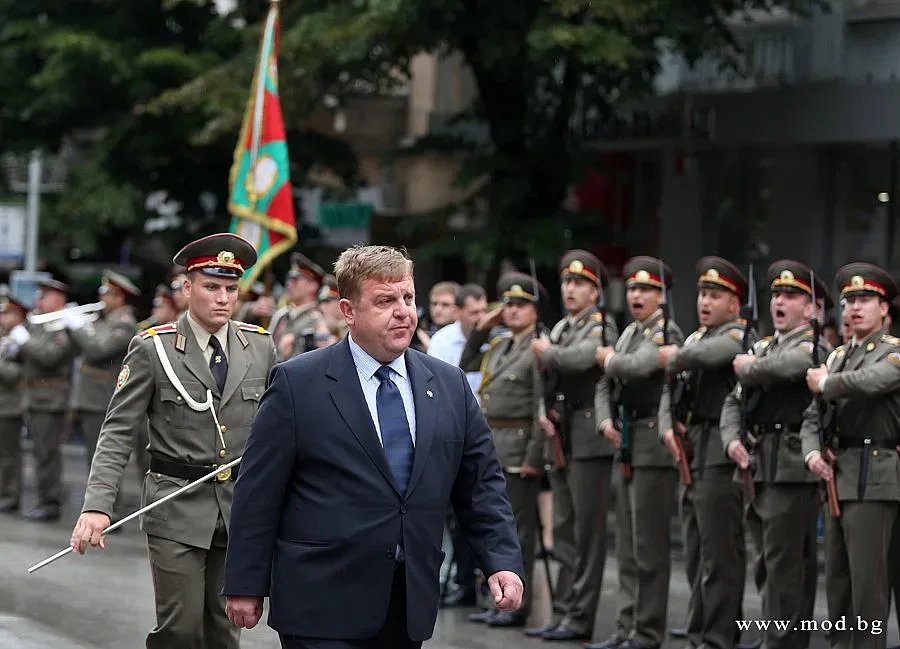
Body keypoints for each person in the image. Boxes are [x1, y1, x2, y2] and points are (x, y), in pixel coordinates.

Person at [223, 244, 524, 649]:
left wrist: (501, 561)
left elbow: (481, 486)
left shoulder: (448, 384)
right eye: (385, 301)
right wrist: (245, 581)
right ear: (348, 311)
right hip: (320, 600)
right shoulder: (298, 384)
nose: (403, 311)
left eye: (408, 297)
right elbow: (258, 490)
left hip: (406, 603)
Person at [69, 233, 277, 649]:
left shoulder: (259, 346)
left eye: (231, 289)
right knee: (180, 630)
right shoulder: (153, 348)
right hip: (175, 505)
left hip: (238, 508)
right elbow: (118, 429)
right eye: (212, 287)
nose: (223, 298)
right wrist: (97, 505)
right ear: (187, 288)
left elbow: (277, 431)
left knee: (224, 631)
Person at [721, 259, 830, 649]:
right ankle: (779, 638)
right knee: (768, 561)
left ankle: (781, 641)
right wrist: (731, 439)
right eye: (776, 295)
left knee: (785, 563)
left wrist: (750, 367)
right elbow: (734, 402)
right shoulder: (765, 346)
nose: (780, 302)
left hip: (790, 467)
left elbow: (789, 367)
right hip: (758, 464)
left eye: (791, 295)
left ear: (811, 307)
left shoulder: (813, 346)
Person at [802, 262, 900, 649]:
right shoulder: (840, 355)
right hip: (836, 475)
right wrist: (811, 453)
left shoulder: (892, 353)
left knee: (868, 590)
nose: (854, 308)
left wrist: (827, 382)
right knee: (838, 585)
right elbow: (812, 415)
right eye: (849, 301)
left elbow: (872, 382)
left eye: (865, 300)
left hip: (875, 476)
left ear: (885, 310)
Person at [527, 249, 620, 642]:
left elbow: (583, 361)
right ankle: (563, 610)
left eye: (579, 283)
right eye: (566, 282)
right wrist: (542, 409)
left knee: (587, 532)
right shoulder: (563, 327)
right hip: (561, 434)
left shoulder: (600, 325)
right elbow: (542, 374)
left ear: (595, 292)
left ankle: (581, 616)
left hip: (588, 436)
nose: (570, 289)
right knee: (563, 528)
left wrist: (548, 353)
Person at [658, 256, 750, 649]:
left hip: (718, 451)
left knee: (719, 554)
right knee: (695, 552)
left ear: (735, 303)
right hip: (692, 448)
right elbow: (670, 387)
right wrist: (666, 425)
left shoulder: (736, 336)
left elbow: (706, 358)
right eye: (702, 295)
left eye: (715, 295)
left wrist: (674, 355)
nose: (705, 303)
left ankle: (718, 635)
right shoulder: (695, 338)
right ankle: (699, 629)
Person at [592, 256, 684, 649]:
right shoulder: (631, 331)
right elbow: (604, 382)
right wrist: (603, 420)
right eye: (631, 289)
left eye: (645, 289)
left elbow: (636, 366)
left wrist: (610, 360)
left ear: (661, 295)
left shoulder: (666, 330)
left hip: (651, 442)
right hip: (626, 439)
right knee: (627, 546)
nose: (636, 296)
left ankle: (647, 631)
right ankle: (626, 626)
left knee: (649, 546)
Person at [459, 272, 545, 628]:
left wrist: (534, 457)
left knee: (517, 530)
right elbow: (466, 362)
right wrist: (483, 326)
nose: (512, 311)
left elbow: (541, 406)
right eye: (508, 305)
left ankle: (516, 604)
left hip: (519, 447)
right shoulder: (498, 344)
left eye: (521, 305)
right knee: (488, 525)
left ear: (535, 311)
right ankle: (496, 598)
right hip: (493, 445)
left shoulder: (539, 348)